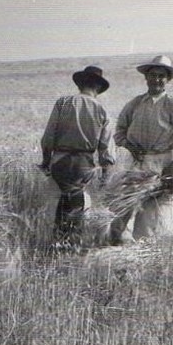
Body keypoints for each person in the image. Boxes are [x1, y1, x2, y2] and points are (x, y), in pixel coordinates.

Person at [110, 55, 173, 244]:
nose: (156, 79)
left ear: (168, 80)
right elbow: (119, 132)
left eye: (161, 76)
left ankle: (157, 253)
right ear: (146, 77)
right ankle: (126, 249)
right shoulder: (135, 103)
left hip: (164, 165)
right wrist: (130, 146)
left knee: (160, 213)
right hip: (137, 165)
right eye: (152, 75)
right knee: (128, 211)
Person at [39, 65, 114, 251]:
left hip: (60, 161)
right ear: (97, 87)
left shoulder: (63, 103)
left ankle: (56, 243)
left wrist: (46, 162)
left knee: (57, 201)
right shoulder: (103, 111)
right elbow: (107, 153)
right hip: (84, 164)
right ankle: (73, 244)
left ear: (80, 84)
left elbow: (48, 138)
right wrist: (105, 178)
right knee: (79, 202)